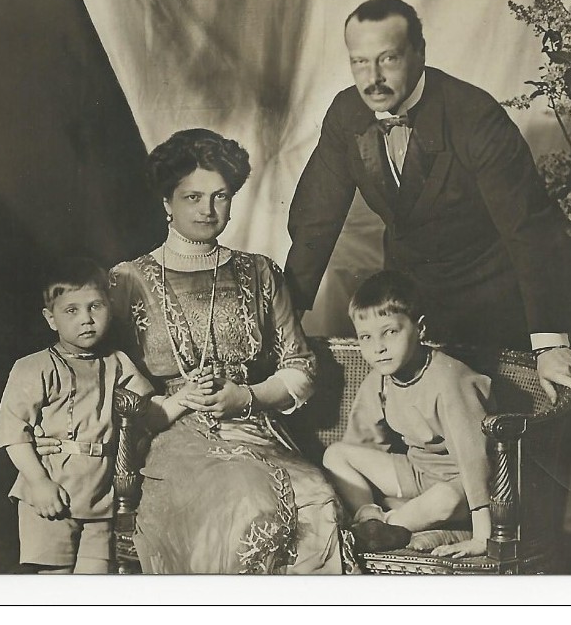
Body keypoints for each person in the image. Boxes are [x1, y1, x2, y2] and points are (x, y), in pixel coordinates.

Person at [41, 128, 355, 574]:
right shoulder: (125, 281)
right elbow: (98, 380)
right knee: (250, 504)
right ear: (167, 203)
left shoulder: (261, 272)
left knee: (319, 500)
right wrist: (169, 406)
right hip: (167, 438)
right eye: (193, 197)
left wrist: (245, 397)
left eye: (220, 197)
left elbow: (301, 367)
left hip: (255, 431)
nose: (209, 210)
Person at [285, 0, 571, 402]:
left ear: (419, 53)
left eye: (388, 59)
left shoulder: (474, 115)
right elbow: (315, 224)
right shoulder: (345, 114)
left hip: (493, 307)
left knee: (488, 433)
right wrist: (287, 322)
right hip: (409, 306)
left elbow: (529, 230)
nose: (372, 77)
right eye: (359, 62)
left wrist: (549, 343)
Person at [0, 257, 155, 574]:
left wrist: (189, 396)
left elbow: (148, 406)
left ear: (110, 307)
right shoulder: (34, 366)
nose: (86, 319)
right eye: (72, 310)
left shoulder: (117, 363)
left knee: (92, 589)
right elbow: (13, 432)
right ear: (50, 318)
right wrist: (39, 483)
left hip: (100, 499)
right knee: (55, 588)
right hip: (51, 495)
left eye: (95, 307)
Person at [323, 270, 493, 558]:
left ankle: (389, 526)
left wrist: (483, 537)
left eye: (390, 332)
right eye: (366, 337)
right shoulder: (381, 378)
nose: (378, 348)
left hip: (461, 482)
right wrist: (367, 494)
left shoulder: (449, 381)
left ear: (420, 329)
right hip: (416, 473)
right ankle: (372, 519)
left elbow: (476, 462)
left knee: (445, 499)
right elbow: (362, 441)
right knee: (336, 455)